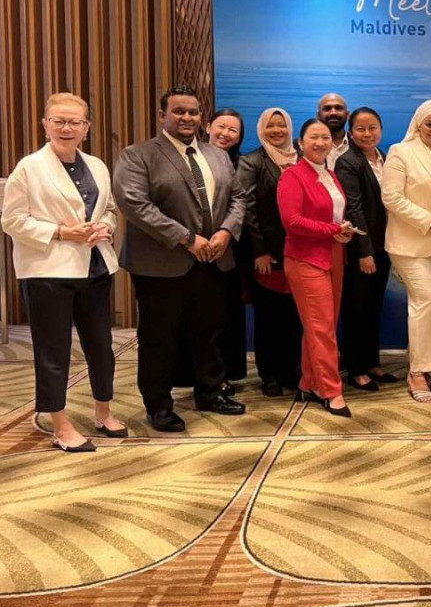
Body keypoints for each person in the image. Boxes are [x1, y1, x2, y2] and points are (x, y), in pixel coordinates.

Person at [113, 86, 246, 432]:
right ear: (162, 116)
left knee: (210, 331)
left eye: (193, 112)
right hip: (161, 265)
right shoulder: (138, 155)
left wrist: (226, 232)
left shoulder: (216, 155)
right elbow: (135, 204)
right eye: (179, 111)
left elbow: (238, 198)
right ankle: (158, 405)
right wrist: (186, 239)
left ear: (201, 117)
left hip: (213, 260)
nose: (187, 118)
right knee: (159, 337)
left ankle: (210, 392)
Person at [1, 93, 124, 451]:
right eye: (59, 121)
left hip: (95, 267)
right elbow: (12, 220)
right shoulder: (29, 167)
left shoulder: (97, 165)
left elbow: (110, 209)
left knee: (101, 345)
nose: (66, 128)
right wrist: (61, 232)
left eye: (75, 122)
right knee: (53, 350)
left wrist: (105, 227)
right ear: (45, 124)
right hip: (48, 271)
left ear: (87, 127)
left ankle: (103, 411)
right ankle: (60, 422)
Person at [277, 118, 355, 417]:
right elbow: (292, 222)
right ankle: (330, 390)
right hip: (305, 258)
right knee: (321, 327)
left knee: (322, 326)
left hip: (333, 254)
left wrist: (343, 231)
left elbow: (333, 217)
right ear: (301, 142)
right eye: (314, 137)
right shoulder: (292, 176)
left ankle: (309, 382)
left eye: (325, 137)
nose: (321, 143)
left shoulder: (330, 174)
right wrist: (333, 229)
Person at [382, 100, 431, 403]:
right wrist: (428, 220)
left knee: (427, 303)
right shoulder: (401, 152)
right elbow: (391, 197)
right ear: (418, 124)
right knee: (426, 298)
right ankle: (417, 373)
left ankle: (420, 365)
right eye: (430, 124)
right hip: (409, 242)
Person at [236, 107, 303, 396]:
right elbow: (247, 209)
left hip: (298, 252)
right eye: (270, 126)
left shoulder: (301, 159)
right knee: (268, 319)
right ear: (261, 129)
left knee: (294, 317)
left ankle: (290, 371)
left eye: (282, 125)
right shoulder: (252, 161)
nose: (277, 131)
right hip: (268, 255)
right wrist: (259, 252)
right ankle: (269, 375)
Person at [336, 108, 398, 391]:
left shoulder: (383, 157)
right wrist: (364, 252)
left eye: (372, 128)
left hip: (385, 245)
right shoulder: (348, 162)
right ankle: (356, 368)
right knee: (357, 309)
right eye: (360, 129)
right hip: (363, 250)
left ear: (381, 129)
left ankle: (372, 362)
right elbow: (354, 208)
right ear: (351, 132)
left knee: (374, 307)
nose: (367, 134)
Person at [204, 108, 248, 391]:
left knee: (227, 314)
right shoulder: (192, 158)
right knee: (202, 318)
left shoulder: (242, 164)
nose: (225, 134)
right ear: (208, 127)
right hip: (192, 247)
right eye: (221, 126)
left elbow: (241, 202)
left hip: (231, 251)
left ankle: (225, 374)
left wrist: (226, 232)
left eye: (233, 130)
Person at [317, 93, 350, 168]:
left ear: (347, 114)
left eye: (338, 108)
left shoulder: (360, 145)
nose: (333, 113)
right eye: (327, 108)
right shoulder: (302, 147)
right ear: (318, 115)